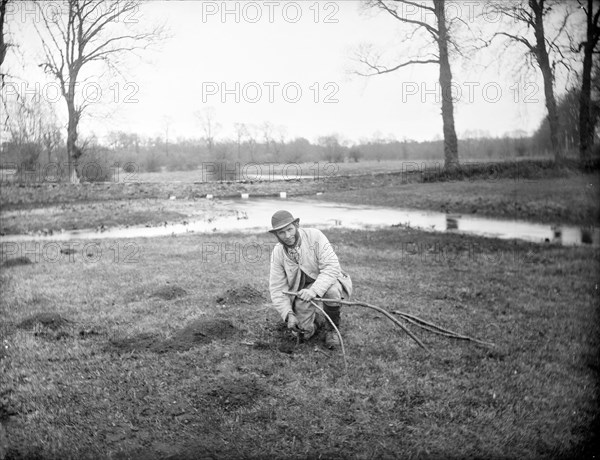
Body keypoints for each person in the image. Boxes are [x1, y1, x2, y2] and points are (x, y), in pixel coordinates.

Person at [268, 210, 352, 348]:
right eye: (281, 233)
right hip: (301, 293)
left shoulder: (315, 236)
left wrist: (314, 291)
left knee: (331, 291)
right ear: (276, 234)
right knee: (302, 333)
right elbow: (277, 288)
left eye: (289, 229)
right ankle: (317, 321)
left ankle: (332, 329)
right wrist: (288, 314)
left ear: (296, 225)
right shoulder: (278, 253)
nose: (287, 236)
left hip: (329, 281)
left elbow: (331, 267)